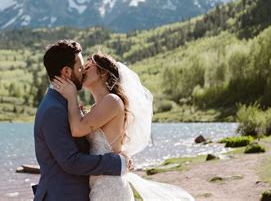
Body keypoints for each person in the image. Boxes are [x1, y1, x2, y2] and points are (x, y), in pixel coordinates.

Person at [52, 51, 195, 201]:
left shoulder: (112, 101)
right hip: (100, 184)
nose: (84, 69)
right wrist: (123, 152)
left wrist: (71, 97)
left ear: (104, 74)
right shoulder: (96, 108)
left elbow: (77, 129)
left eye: (89, 66)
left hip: (110, 187)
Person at [33, 40, 133, 201]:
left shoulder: (65, 104)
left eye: (86, 67)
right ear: (66, 72)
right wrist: (117, 162)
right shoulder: (54, 109)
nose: (83, 71)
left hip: (99, 189)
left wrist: (120, 151)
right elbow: (71, 162)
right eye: (80, 68)